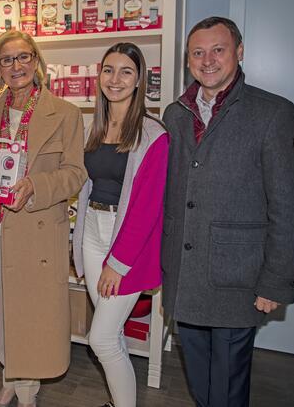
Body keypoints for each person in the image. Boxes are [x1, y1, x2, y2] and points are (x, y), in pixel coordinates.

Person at [161, 16, 294, 407]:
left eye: (218, 50)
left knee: (227, 388)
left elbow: (290, 204)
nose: (207, 60)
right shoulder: (175, 115)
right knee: (201, 383)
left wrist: (275, 282)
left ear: (239, 53)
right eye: (198, 52)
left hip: (237, 279)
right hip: (185, 276)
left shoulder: (273, 113)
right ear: (188, 59)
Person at [0, 30, 87, 407]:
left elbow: (75, 173)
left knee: (28, 312)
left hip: (35, 226)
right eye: (7, 60)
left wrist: (35, 185)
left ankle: (25, 390)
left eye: (24, 57)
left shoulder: (66, 113)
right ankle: (10, 377)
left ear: (37, 61)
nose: (17, 66)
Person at [72, 43, 168, 407]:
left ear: (139, 79)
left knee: (101, 340)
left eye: (126, 71)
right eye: (108, 70)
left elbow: (147, 209)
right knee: (112, 335)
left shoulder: (153, 135)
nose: (115, 79)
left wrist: (119, 262)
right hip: (92, 234)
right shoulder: (92, 128)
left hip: (126, 242)